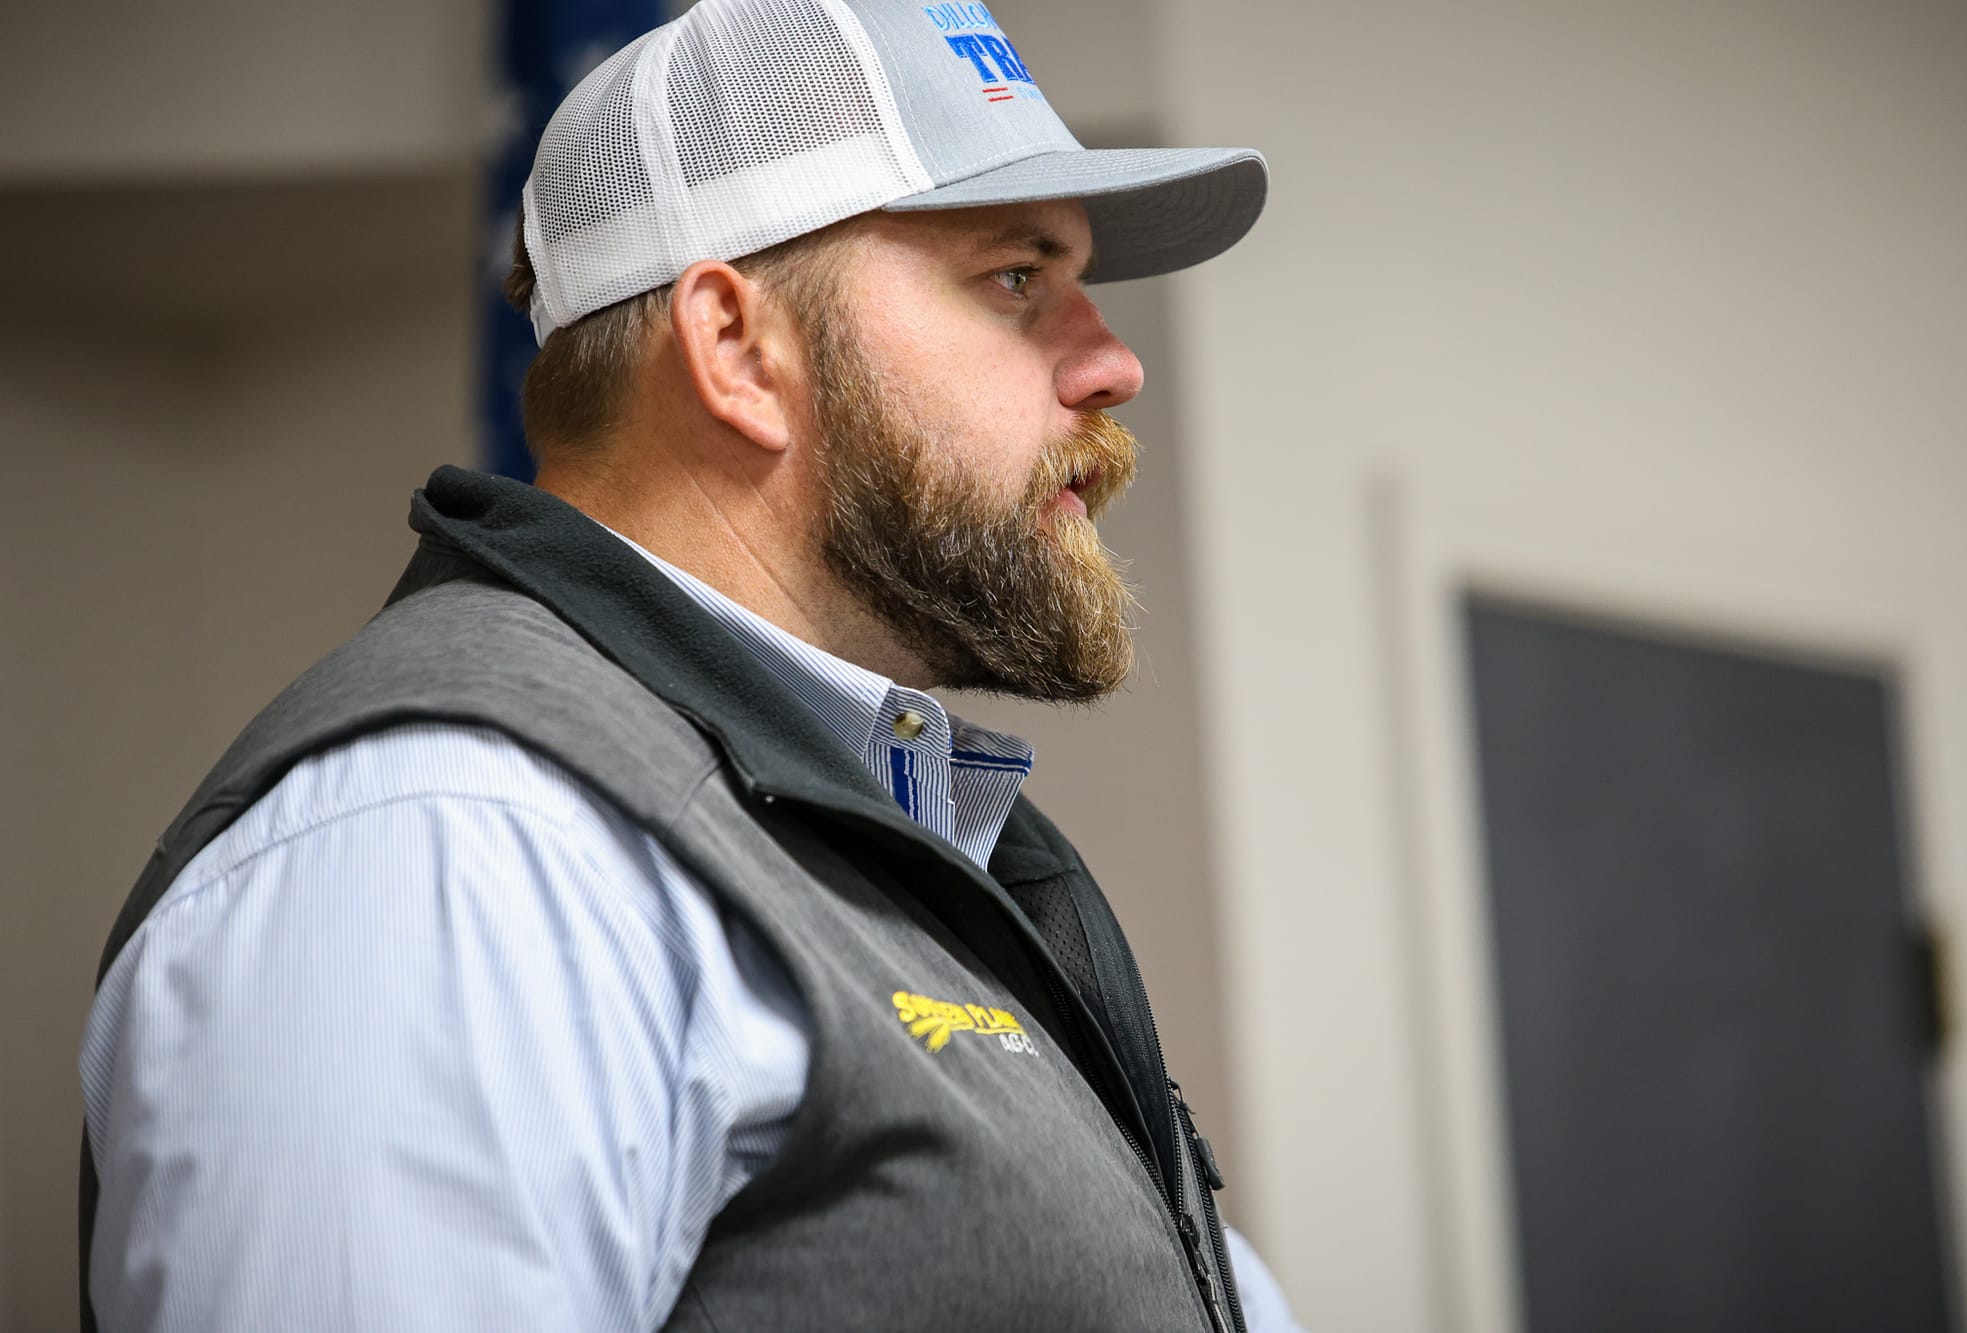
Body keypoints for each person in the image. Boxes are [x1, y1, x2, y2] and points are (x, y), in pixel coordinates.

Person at [79, 0, 1299, 1328]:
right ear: (736, 348)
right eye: (1019, 276)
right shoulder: (461, 843)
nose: (1111, 362)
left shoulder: (915, 836)